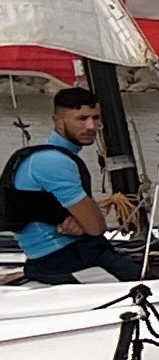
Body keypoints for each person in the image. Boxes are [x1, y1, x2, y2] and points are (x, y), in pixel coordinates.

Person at [7, 88, 143, 284]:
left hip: (64, 255)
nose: (91, 126)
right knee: (157, 290)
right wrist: (86, 221)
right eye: (81, 118)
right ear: (58, 121)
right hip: (65, 258)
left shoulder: (49, 156)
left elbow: (89, 223)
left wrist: (82, 221)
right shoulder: (53, 161)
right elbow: (96, 227)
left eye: (95, 118)